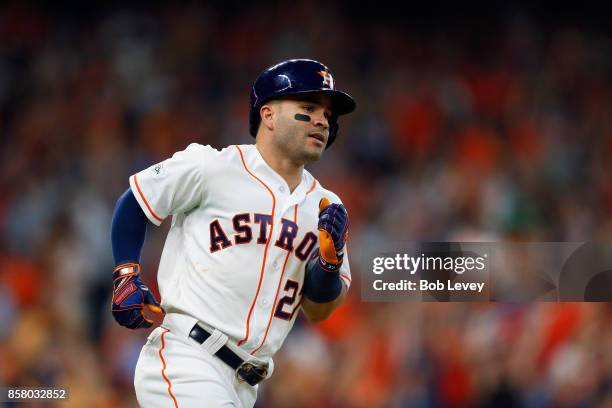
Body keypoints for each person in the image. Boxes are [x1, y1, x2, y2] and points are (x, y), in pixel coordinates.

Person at [110, 59, 355, 407]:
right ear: (268, 115)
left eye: (328, 115)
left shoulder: (327, 206)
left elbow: (320, 310)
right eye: (308, 107)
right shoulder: (212, 166)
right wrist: (125, 272)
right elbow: (136, 200)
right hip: (188, 359)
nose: (322, 120)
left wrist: (328, 266)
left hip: (246, 384)